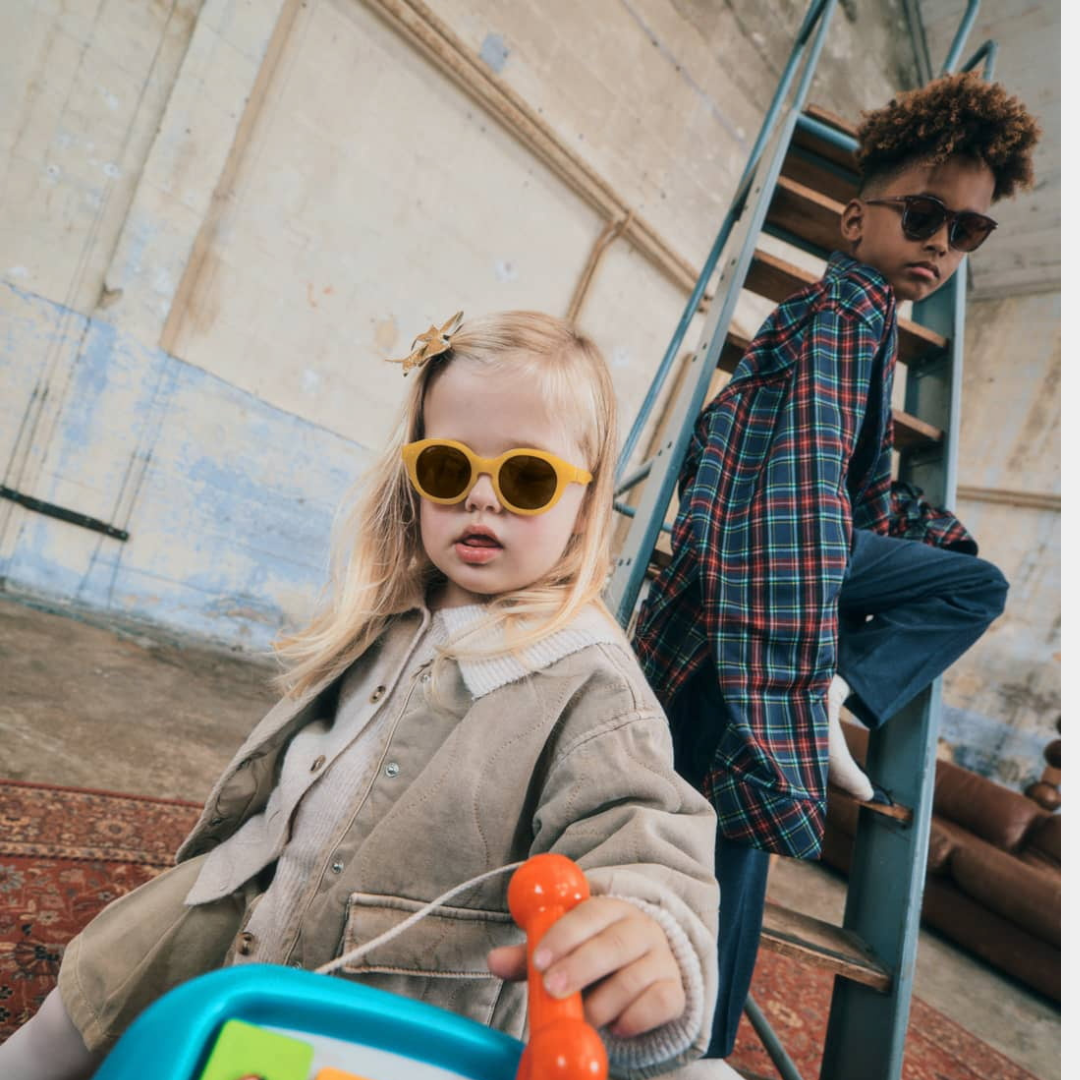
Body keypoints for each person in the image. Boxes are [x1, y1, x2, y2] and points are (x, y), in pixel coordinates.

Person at [1, 312, 720, 1080]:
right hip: (243, 906)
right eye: (447, 468)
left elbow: (641, 829)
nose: (482, 499)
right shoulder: (398, 605)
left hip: (384, 987)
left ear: (585, 501)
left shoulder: (588, 678)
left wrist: (646, 929)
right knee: (78, 1013)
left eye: (526, 477)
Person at [632, 72, 1041, 1060]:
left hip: (739, 598)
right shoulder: (846, 315)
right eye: (924, 216)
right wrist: (802, 658)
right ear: (856, 221)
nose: (942, 245)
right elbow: (799, 484)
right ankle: (692, 1048)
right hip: (761, 581)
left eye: (969, 232)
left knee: (706, 850)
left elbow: (849, 485)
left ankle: (685, 1041)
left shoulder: (861, 328)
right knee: (716, 858)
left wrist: (909, 537)